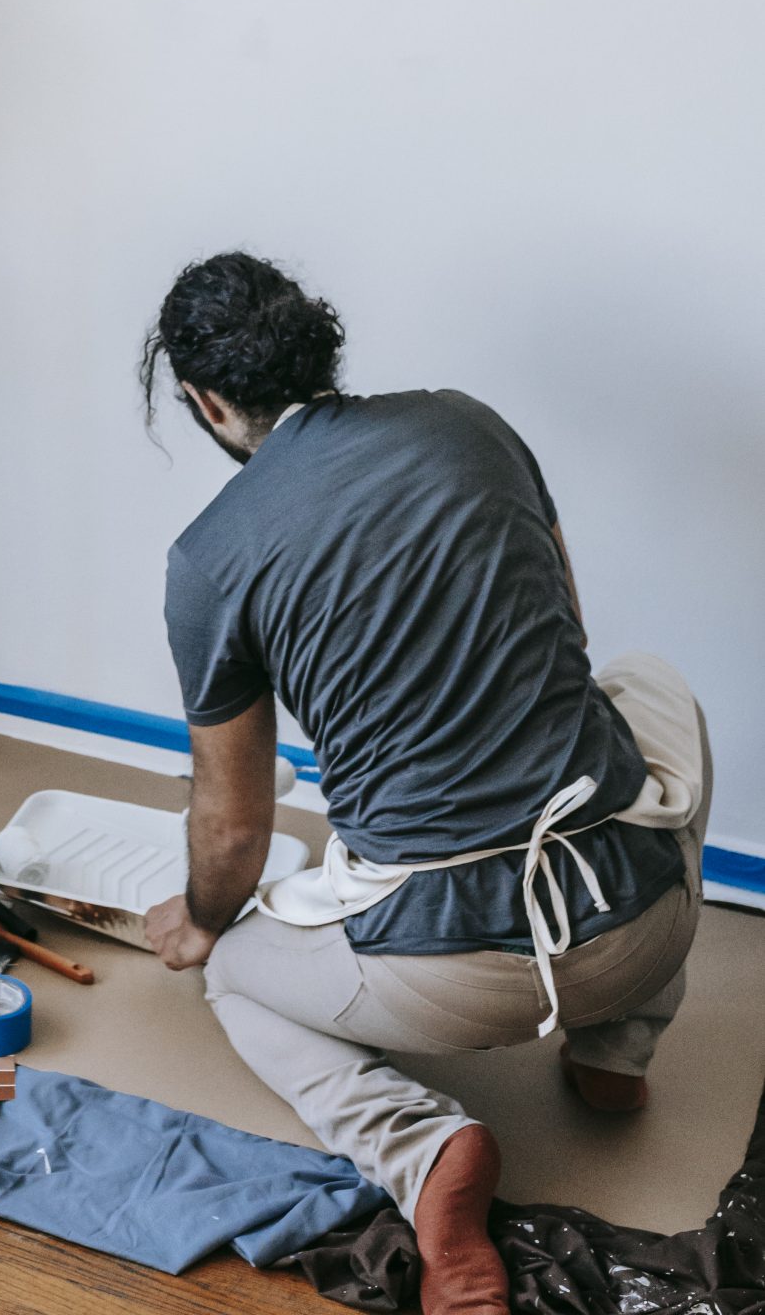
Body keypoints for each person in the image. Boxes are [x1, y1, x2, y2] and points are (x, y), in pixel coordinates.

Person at [140, 251, 709, 1315]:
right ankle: (617, 1046)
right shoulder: (471, 422)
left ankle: (427, 1147)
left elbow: (234, 839)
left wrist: (199, 921)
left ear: (206, 400)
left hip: (448, 985)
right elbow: (569, 649)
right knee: (653, 684)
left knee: (234, 971)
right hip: (641, 923)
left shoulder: (210, 556)